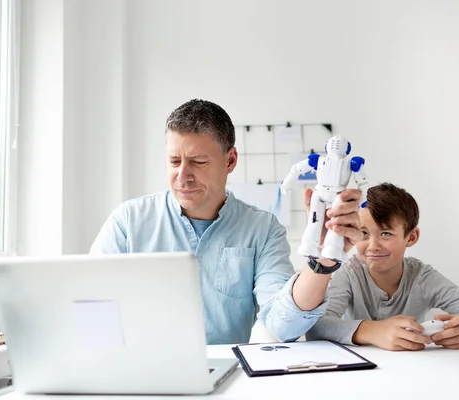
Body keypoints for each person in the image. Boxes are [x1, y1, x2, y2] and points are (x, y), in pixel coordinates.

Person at [90, 99, 364, 345]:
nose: (182, 176)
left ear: (230, 160)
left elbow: (283, 326)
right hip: (142, 374)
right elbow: (91, 307)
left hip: (229, 379)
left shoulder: (263, 229)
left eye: (198, 162)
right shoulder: (128, 222)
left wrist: (321, 263)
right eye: (174, 161)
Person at [306, 182, 459, 350]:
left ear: (411, 237)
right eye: (364, 233)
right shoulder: (349, 273)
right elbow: (316, 326)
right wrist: (373, 331)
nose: (373, 246)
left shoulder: (422, 277)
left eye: (385, 233)